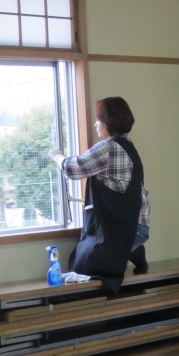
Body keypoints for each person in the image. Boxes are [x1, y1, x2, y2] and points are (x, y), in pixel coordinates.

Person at [48, 96, 148, 292]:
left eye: (98, 120)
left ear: (108, 122)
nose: (95, 124)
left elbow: (73, 168)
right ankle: (133, 252)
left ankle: (126, 253)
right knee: (81, 258)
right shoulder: (129, 146)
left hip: (120, 230)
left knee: (81, 266)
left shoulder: (108, 148)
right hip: (137, 226)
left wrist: (56, 155)